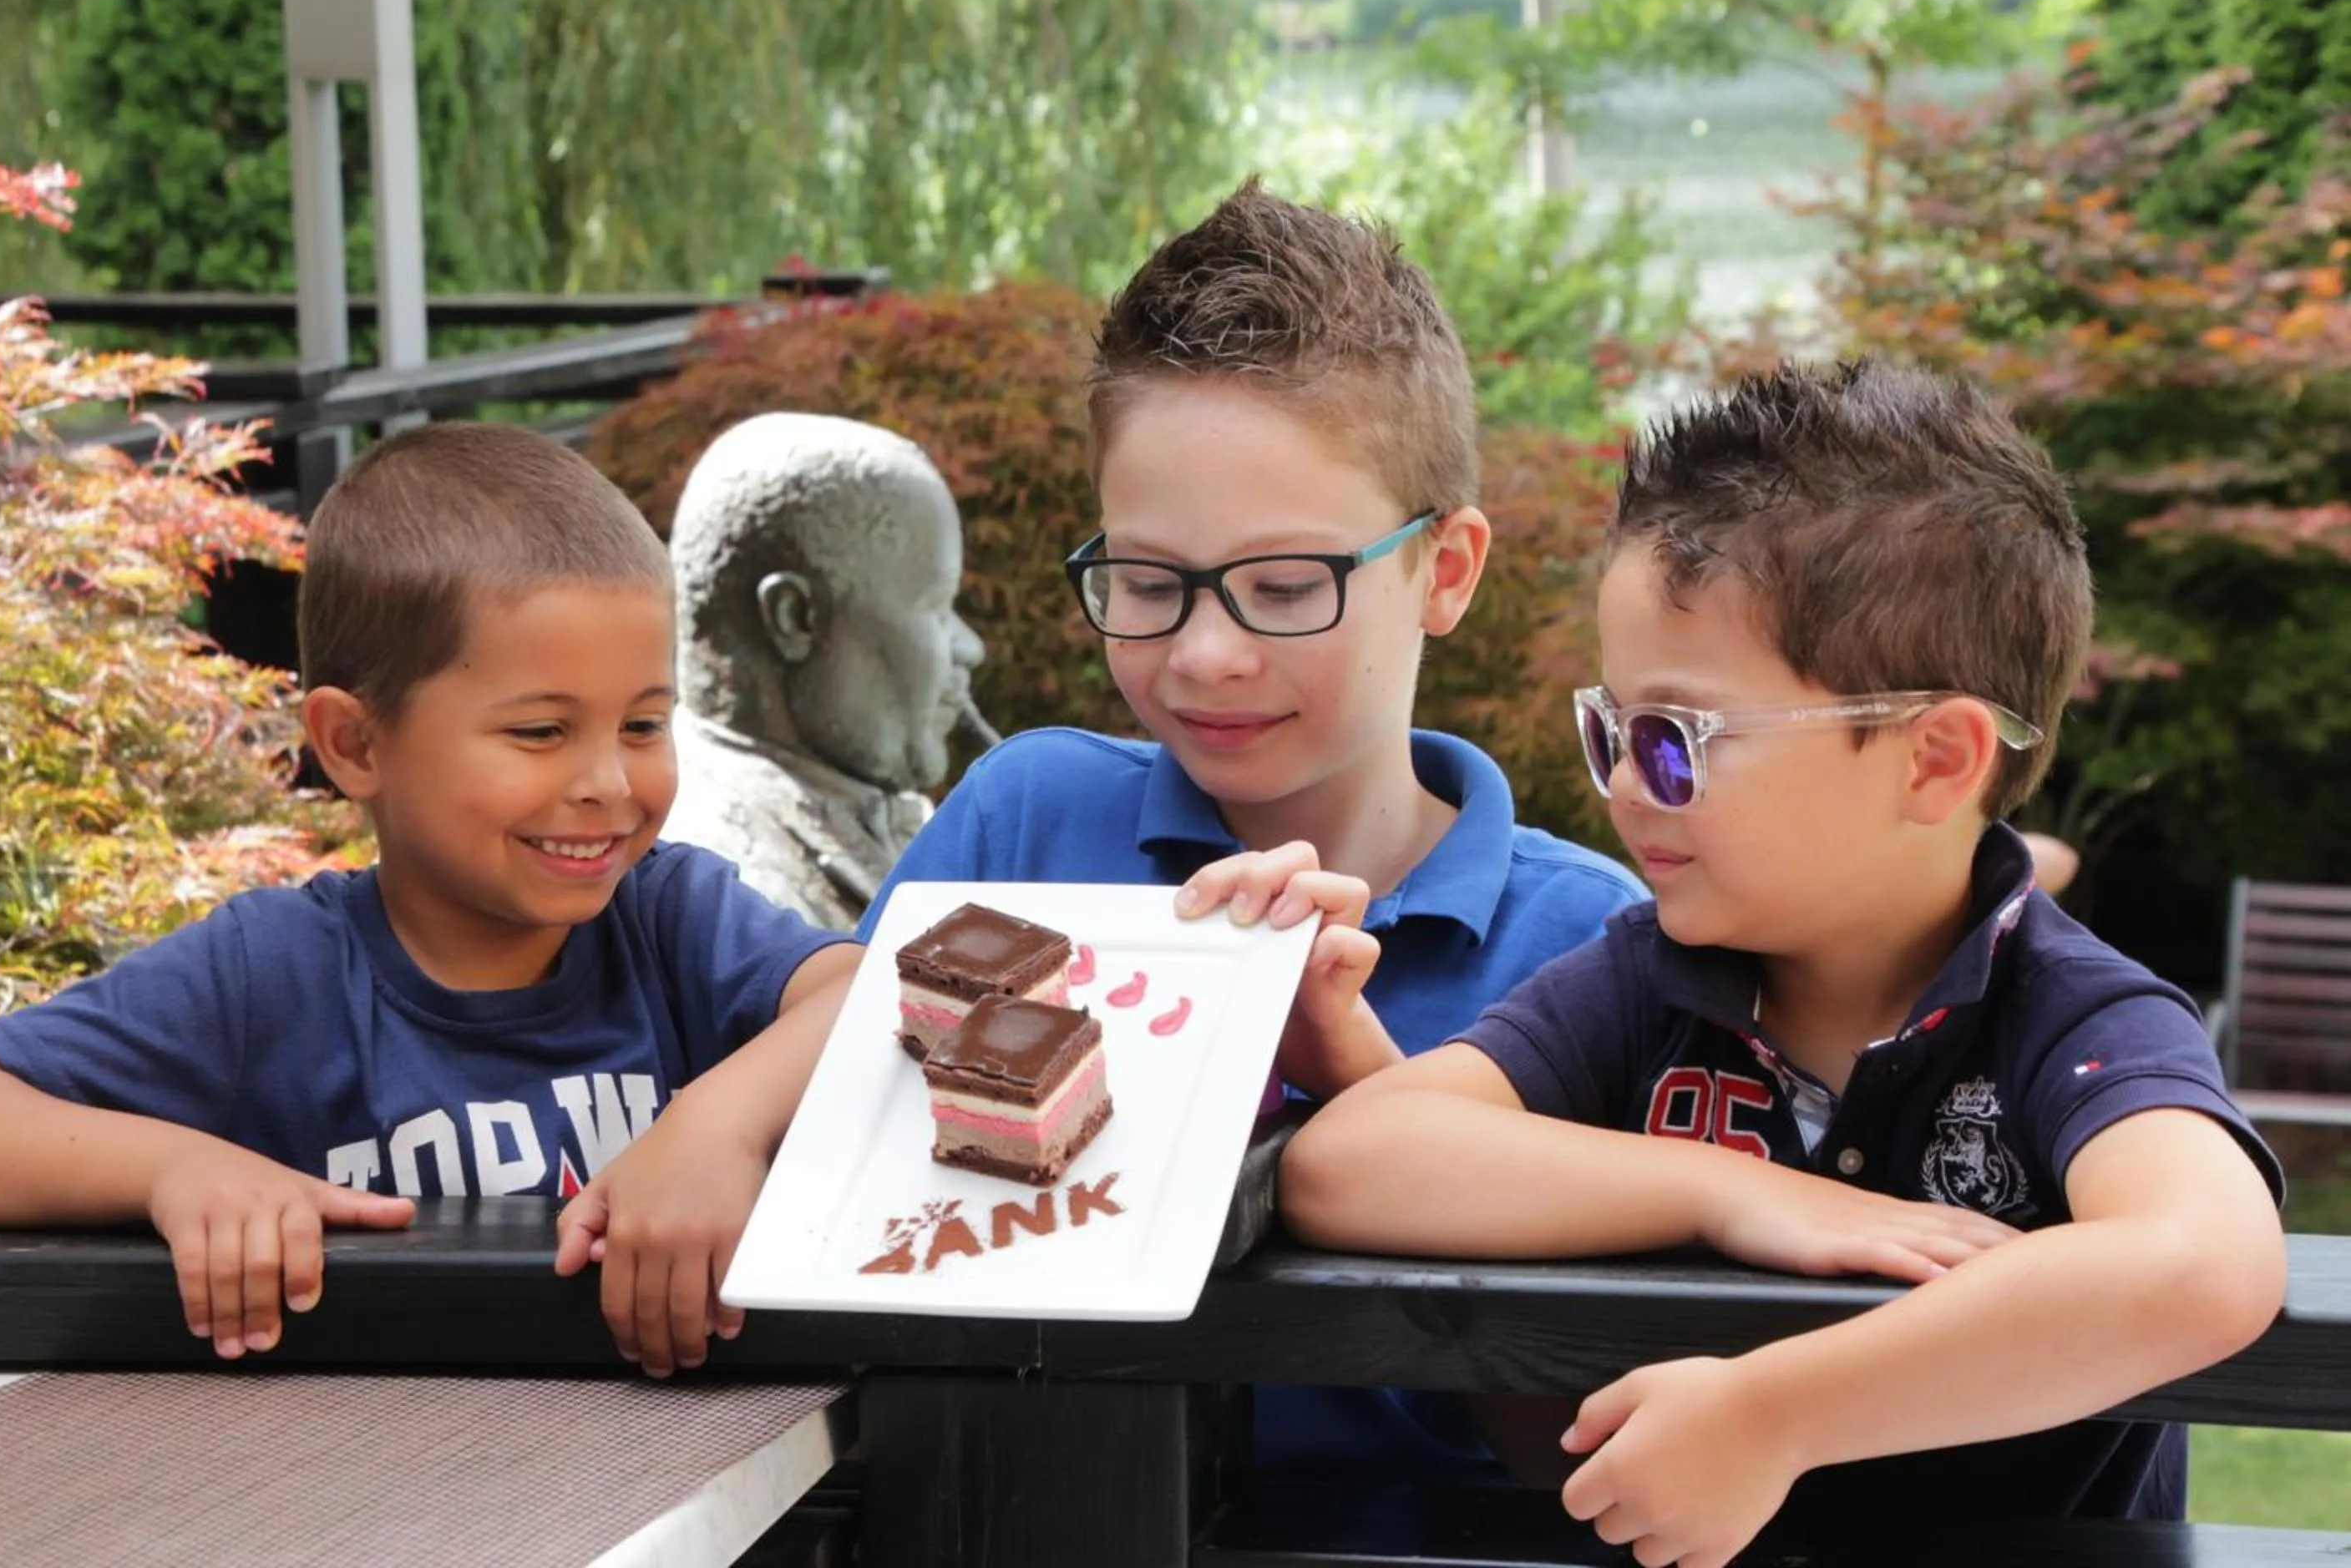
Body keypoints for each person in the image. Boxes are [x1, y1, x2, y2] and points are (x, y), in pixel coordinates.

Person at [1280, 359, 2286, 1565]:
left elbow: (2207, 1263)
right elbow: (1349, 1165)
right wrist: (1742, 1191)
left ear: (1934, 762)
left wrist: (1776, 1418)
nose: (1624, 790)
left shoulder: (2070, 1015)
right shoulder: (1648, 978)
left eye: (1680, 741)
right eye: (1613, 732)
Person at [861, 178, 1645, 1478]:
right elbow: (855, 1175)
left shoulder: (1594, 944)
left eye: (1287, 586)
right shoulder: (1023, 821)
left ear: (1443, 571)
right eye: (1150, 584)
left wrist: (1367, 1092)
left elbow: (1587, 1455)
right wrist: (725, 1136)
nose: (1207, 655)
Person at [0, 422, 860, 1381]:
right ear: (355, 744)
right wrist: (171, 1167)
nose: (610, 781)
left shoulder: (669, 922)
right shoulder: (271, 976)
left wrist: (715, 1124)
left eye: (644, 723)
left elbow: (884, 992)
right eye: (541, 733)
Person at [661, 412, 991, 929]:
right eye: (933, 607)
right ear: (793, 618)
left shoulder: (875, 808)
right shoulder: (729, 901)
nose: (970, 647)